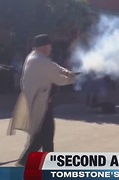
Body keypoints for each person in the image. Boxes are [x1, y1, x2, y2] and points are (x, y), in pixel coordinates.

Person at [7, 34, 75, 166]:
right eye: (49, 45)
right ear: (44, 46)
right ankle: (24, 163)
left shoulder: (34, 56)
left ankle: (40, 164)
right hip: (41, 104)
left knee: (44, 137)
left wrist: (65, 71)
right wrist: (71, 78)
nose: (51, 48)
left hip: (40, 102)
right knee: (43, 137)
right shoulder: (41, 62)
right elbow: (59, 79)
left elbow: (53, 66)